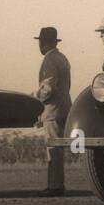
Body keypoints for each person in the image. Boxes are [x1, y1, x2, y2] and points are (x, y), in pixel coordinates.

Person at [34, 26, 71, 196]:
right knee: (57, 148)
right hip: (64, 108)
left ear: (42, 43)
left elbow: (48, 88)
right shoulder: (62, 58)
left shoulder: (49, 60)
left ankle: (55, 186)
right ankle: (56, 184)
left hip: (52, 110)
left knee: (53, 149)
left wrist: (35, 100)